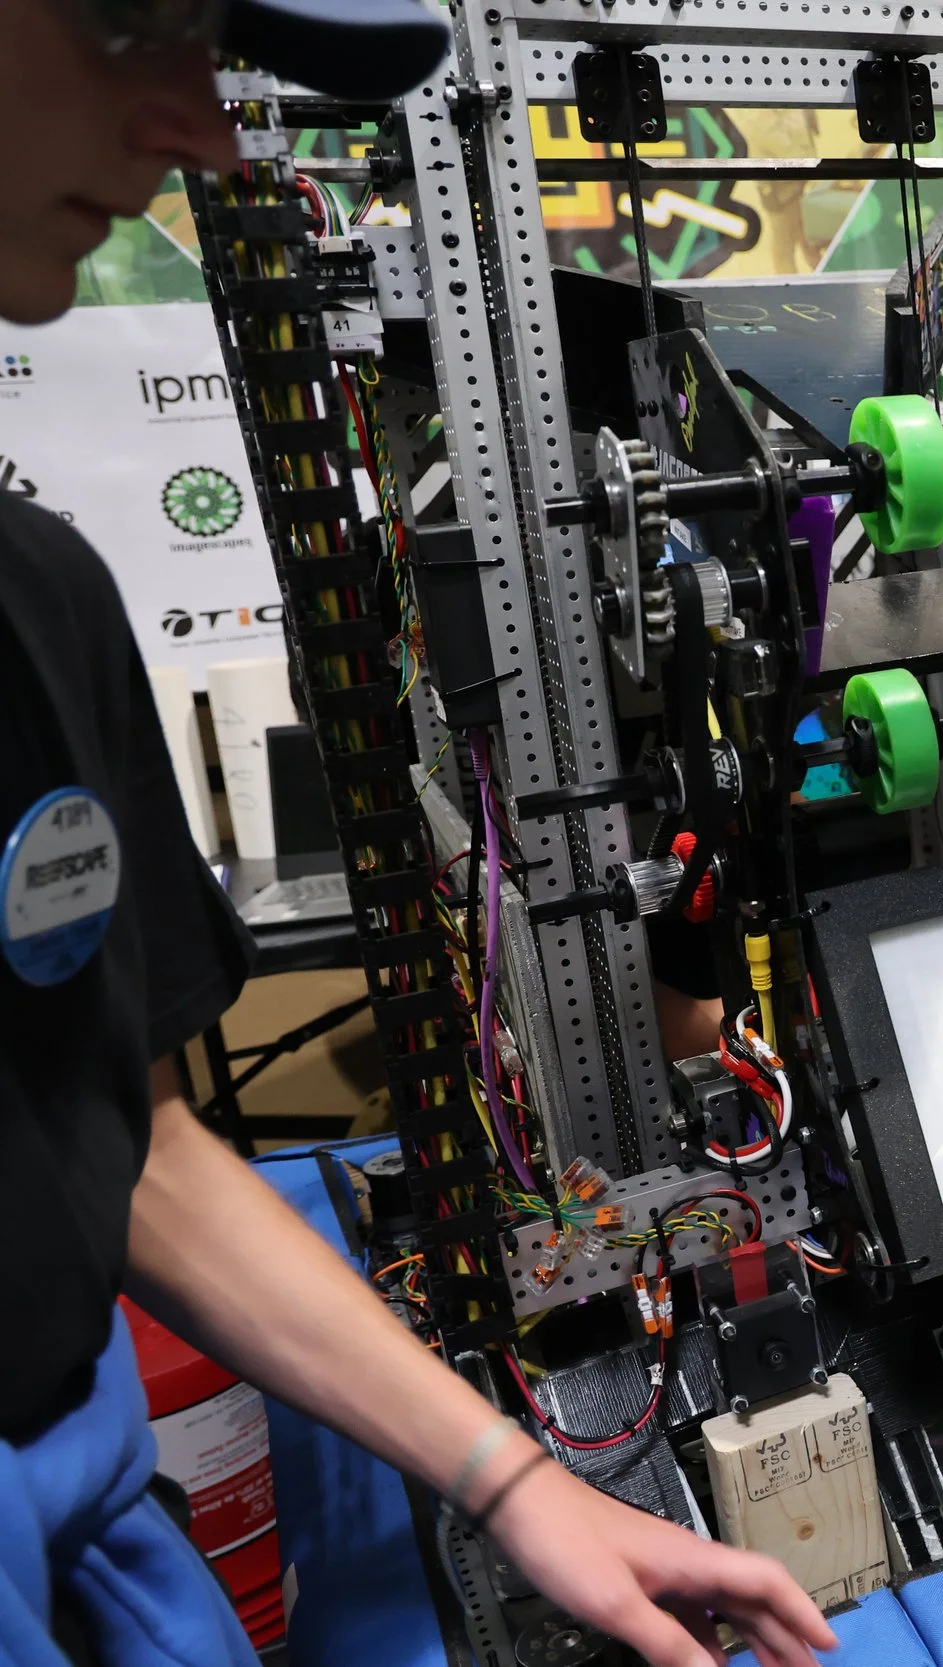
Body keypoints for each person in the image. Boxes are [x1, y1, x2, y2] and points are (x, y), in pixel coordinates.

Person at [0, 4, 833, 1664]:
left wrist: (518, 1480)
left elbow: (130, 1140)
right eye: (131, 26)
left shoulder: (44, 598)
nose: (207, 129)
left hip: (84, 1514)